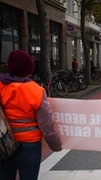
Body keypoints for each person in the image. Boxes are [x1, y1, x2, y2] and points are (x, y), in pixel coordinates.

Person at [0, 50, 62, 180]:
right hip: (29, 145)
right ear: (29, 69)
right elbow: (47, 123)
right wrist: (55, 144)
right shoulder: (36, 91)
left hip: (4, 142)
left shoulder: (2, 85)